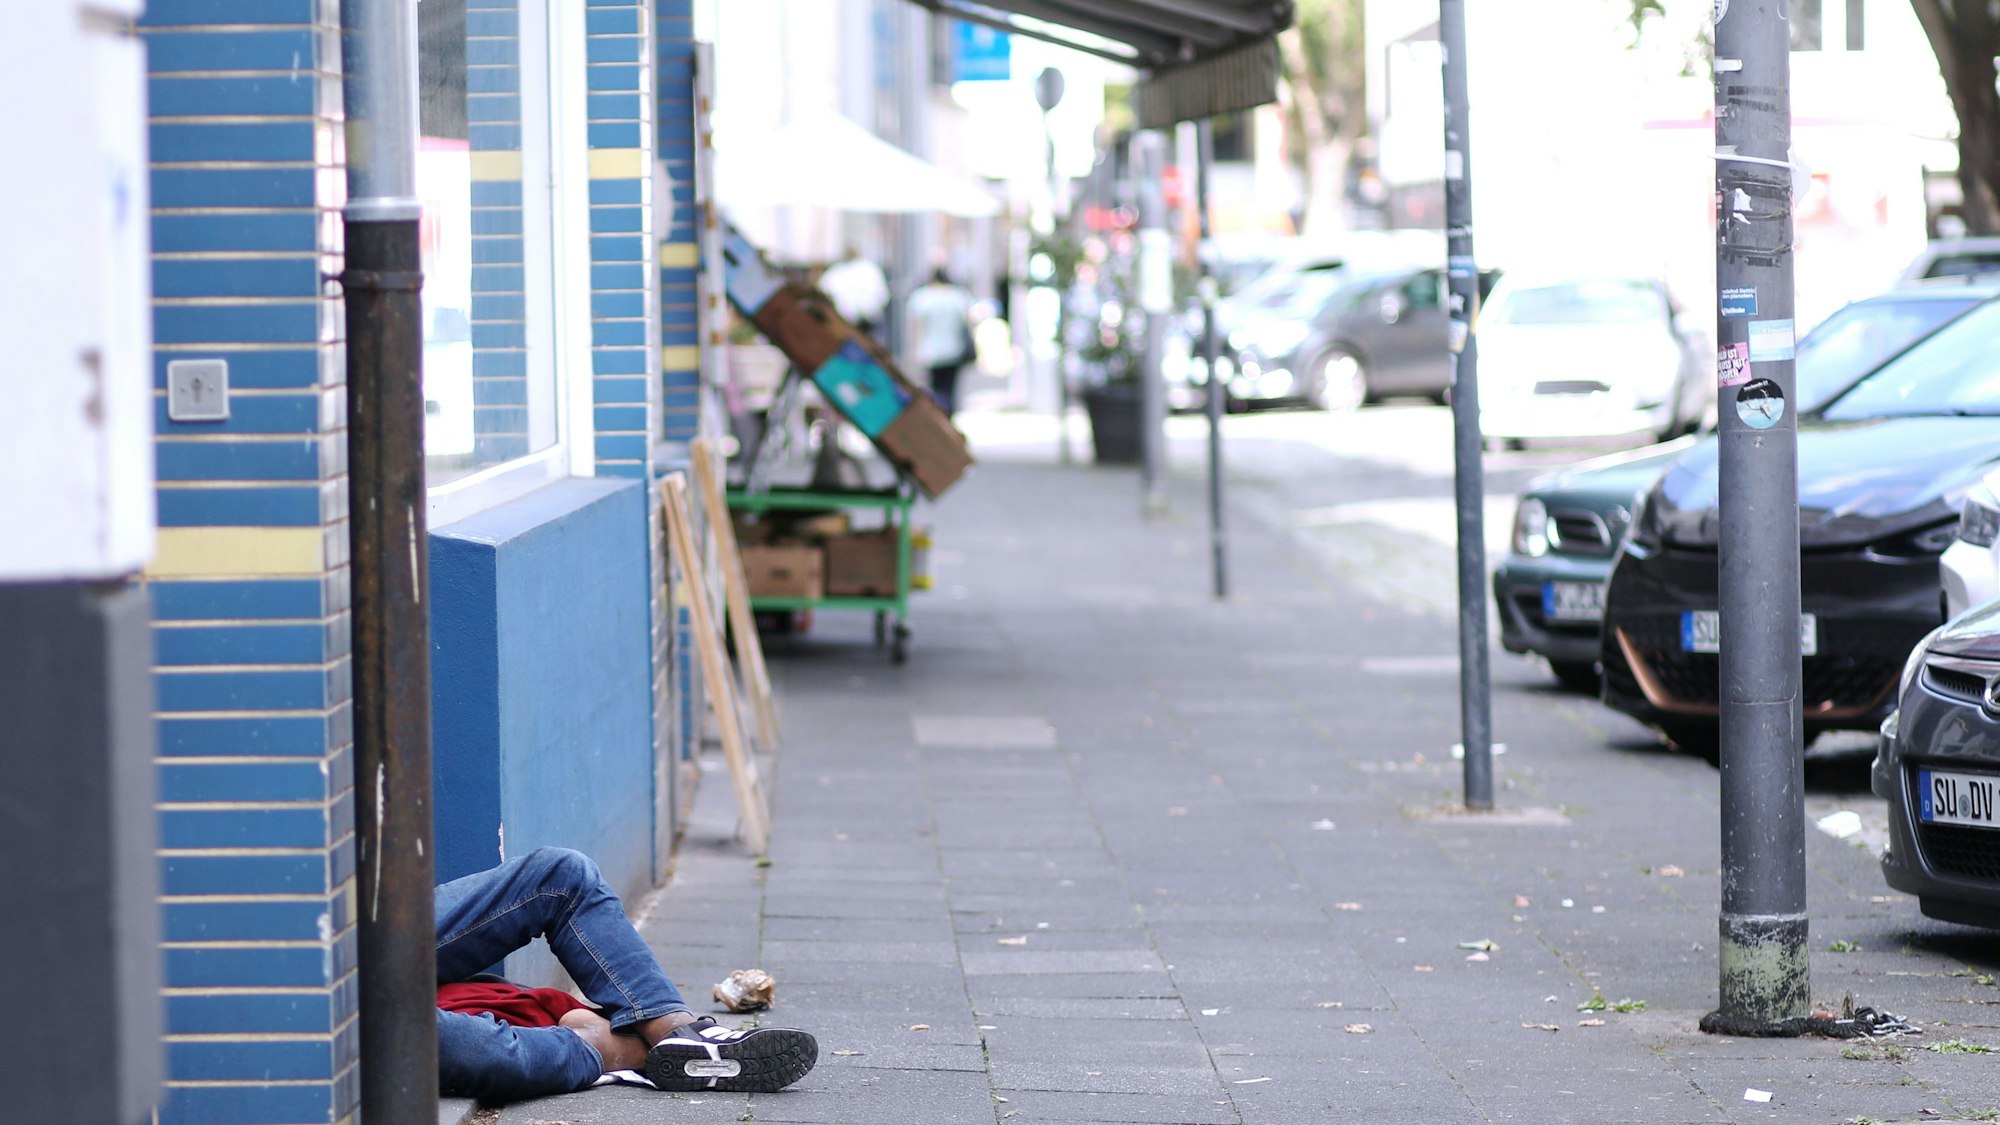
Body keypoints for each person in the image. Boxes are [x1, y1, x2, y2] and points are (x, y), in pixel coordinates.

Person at [434, 847, 818, 1102]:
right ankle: (618, 1049)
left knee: (562, 876)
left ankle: (677, 1031)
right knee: (406, 1033)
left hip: (376, 929)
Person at [907, 267, 975, 416]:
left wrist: (914, 350)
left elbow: (916, 326)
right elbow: (969, 320)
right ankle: (948, 414)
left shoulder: (922, 297)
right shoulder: (957, 296)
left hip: (931, 351)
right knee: (950, 387)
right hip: (954, 349)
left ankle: (940, 415)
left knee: (936, 386)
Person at [817, 247, 891, 338]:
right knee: (875, 348)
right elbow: (883, 295)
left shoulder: (834, 273)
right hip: (869, 319)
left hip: (847, 322)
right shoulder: (869, 268)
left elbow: (822, 293)